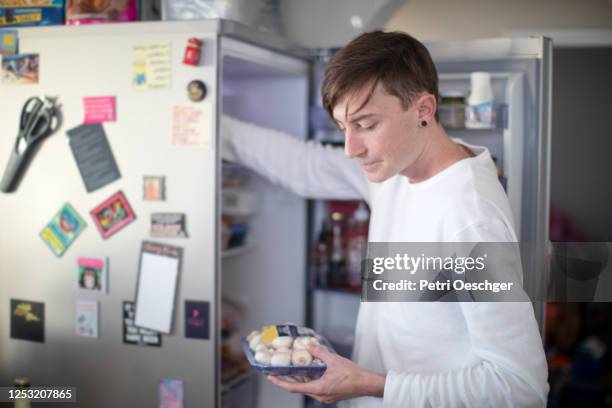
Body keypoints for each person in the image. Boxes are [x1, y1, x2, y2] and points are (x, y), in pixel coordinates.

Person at [222, 30, 549, 407]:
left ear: (424, 109)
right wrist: (212, 120)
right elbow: (303, 164)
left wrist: (374, 384)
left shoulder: (470, 218)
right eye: (344, 127)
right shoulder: (394, 168)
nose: (350, 149)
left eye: (366, 124)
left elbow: (520, 387)